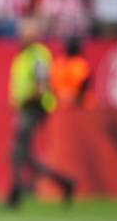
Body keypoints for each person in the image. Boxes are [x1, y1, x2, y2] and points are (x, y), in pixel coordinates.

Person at [6, 18, 74, 208]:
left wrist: (29, 98)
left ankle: (16, 192)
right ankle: (64, 183)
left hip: (34, 107)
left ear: (33, 35)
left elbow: (42, 84)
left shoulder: (37, 55)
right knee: (22, 153)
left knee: (17, 151)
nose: (20, 35)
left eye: (24, 32)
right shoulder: (24, 55)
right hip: (26, 107)